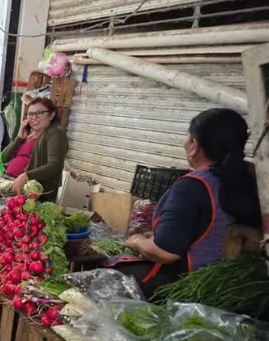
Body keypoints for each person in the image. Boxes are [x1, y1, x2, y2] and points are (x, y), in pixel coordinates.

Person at [111, 108, 261, 298]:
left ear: (194, 145)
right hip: (235, 288)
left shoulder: (192, 186)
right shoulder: (250, 179)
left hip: (188, 289)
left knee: (108, 276)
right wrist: (159, 236)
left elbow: (165, 253)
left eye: (188, 137)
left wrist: (138, 241)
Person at [2, 97, 68, 201]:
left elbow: (55, 165)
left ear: (51, 115)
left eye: (39, 113)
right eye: (30, 114)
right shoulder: (26, 134)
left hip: (35, 193)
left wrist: (26, 176)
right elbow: (4, 158)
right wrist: (19, 138)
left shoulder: (55, 134)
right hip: (12, 185)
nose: (34, 118)